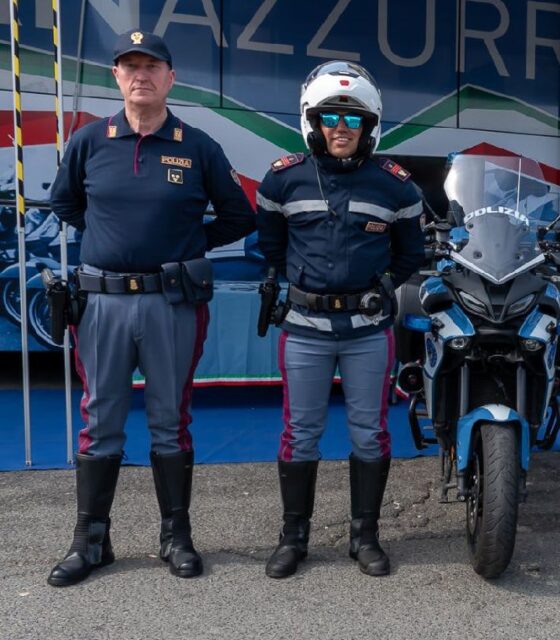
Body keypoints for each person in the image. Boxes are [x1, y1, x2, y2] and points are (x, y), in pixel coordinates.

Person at [45, 31, 255, 586]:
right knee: (99, 419)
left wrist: (185, 244)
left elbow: (239, 216)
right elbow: (66, 202)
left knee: (170, 418)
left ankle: (176, 536)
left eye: (151, 65)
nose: (140, 74)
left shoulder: (198, 146)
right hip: (103, 305)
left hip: (171, 303)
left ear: (170, 78)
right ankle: (90, 542)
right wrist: (112, 239)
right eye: (128, 65)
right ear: (117, 77)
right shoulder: (89, 141)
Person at [254, 61, 425, 578]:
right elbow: (270, 245)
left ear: (371, 127)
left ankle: (365, 537)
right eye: (330, 117)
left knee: (369, 433)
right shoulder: (282, 180)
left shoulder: (396, 187)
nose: (341, 128)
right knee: (299, 433)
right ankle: (294, 538)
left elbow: (410, 255)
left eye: (353, 120)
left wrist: (380, 289)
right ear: (313, 121)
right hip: (304, 331)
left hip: (368, 332)